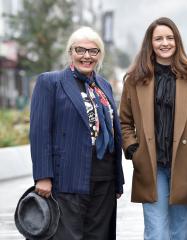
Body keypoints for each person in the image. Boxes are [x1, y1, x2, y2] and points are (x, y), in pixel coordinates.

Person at [119, 17, 187, 240]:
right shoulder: (135, 79)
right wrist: (134, 149)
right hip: (151, 166)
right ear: (150, 43)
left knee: (182, 233)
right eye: (158, 38)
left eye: (170, 38)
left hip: (185, 164)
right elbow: (124, 121)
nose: (165, 43)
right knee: (156, 232)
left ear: (177, 41)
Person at [29, 26, 124, 239]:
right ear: (70, 52)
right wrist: (43, 176)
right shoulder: (50, 82)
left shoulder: (104, 86)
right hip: (68, 179)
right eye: (80, 50)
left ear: (100, 56)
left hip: (104, 179)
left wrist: (117, 179)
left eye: (93, 51)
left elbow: (114, 133)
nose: (86, 56)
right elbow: (39, 132)